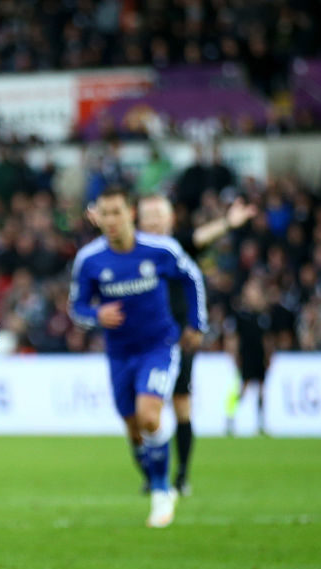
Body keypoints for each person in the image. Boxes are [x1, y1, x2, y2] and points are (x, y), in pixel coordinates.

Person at [70, 186, 207, 528]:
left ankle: (163, 490)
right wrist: (96, 316)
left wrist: (196, 323)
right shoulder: (90, 259)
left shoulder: (160, 249)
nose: (111, 220)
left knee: (149, 417)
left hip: (159, 347)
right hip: (118, 354)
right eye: (105, 213)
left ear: (131, 214)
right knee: (134, 429)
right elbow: (77, 307)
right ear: (97, 217)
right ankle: (154, 476)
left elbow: (192, 278)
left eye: (117, 212)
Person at [137, 194, 257, 494]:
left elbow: (202, 236)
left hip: (176, 339)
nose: (153, 220)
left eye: (158, 214)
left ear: (170, 219)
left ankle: (181, 476)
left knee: (180, 406)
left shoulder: (177, 246)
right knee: (140, 412)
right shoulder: (131, 250)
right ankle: (153, 475)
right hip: (139, 340)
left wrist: (229, 222)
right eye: (148, 215)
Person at [225, 278, 272, 436]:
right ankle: (230, 418)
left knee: (261, 390)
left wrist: (268, 356)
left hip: (259, 356)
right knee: (242, 389)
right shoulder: (240, 315)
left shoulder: (262, 316)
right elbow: (234, 337)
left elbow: (266, 339)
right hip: (246, 356)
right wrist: (234, 355)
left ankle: (261, 423)